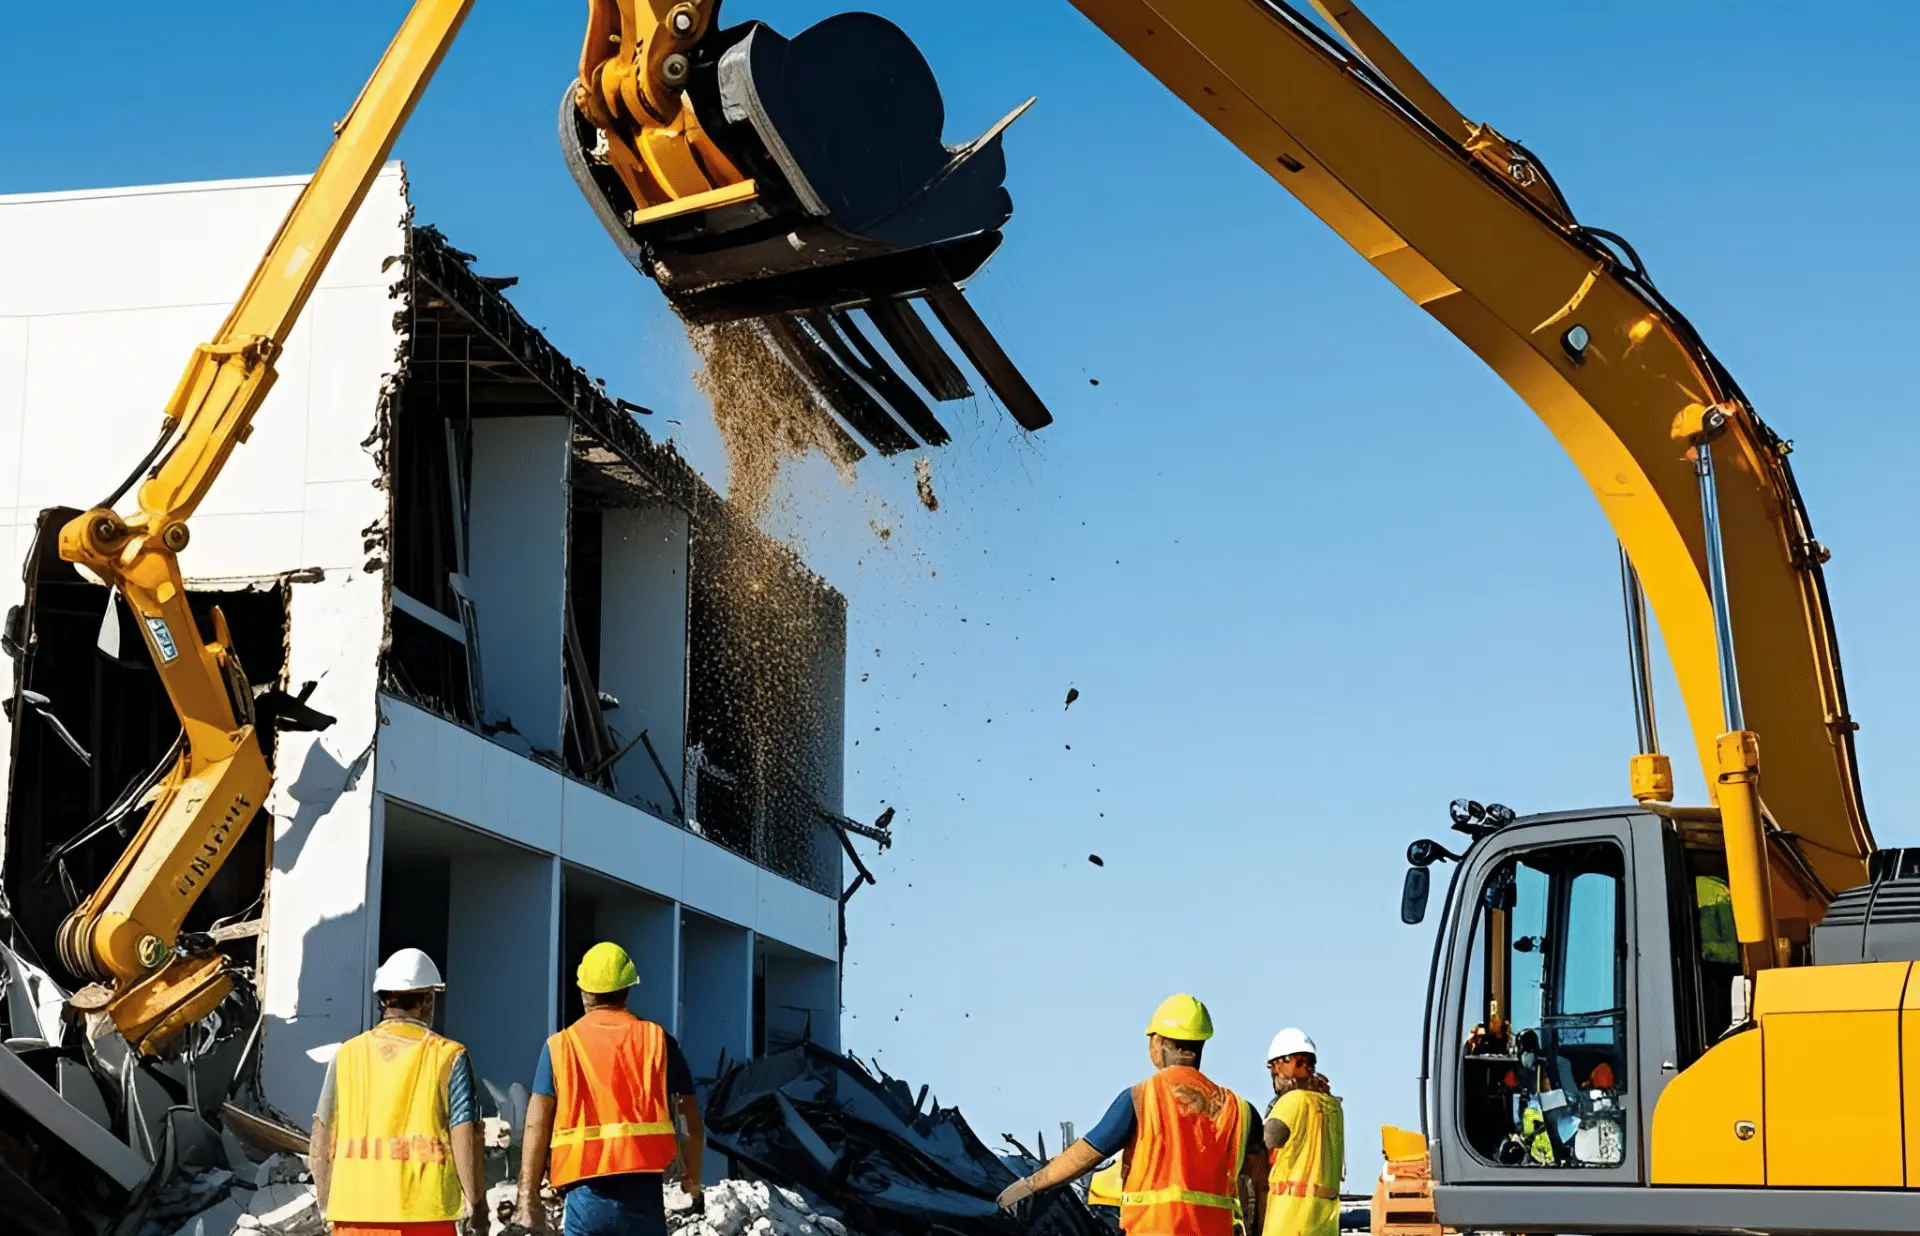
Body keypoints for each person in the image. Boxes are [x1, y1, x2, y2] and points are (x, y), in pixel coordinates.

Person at [997, 994, 1267, 1235]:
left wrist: (1031, 1185)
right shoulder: (1242, 1111)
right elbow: (1258, 1188)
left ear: (1158, 1042)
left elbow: (1088, 1153)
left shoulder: (1141, 1098)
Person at [515, 942, 705, 1236]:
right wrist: (691, 1179)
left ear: (583, 992)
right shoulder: (659, 1041)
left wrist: (527, 1197)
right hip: (643, 1199)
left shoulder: (560, 1047)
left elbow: (535, 1124)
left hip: (584, 1197)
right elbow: (689, 1119)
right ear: (628, 990)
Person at [311, 947, 487, 1236]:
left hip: (353, 1218)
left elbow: (321, 1135)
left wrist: (326, 1205)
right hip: (426, 1216)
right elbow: (463, 1135)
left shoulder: (346, 1055)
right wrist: (476, 1203)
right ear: (428, 1000)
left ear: (383, 1000)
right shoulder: (448, 1056)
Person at [1260, 1028, 1344, 1236]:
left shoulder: (1293, 1101)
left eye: (1307, 1064)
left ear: (1279, 1064)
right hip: (1325, 1222)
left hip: (1291, 1219)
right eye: (1301, 1063)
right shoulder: (1334, 1108)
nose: (1306, 1068)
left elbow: (1266, 1141)